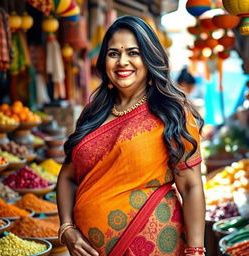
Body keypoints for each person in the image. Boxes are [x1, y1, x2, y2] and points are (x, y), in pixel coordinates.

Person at [56, 15, 205, 256]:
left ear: (149, 58)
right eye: (114, 54)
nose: (122, 61)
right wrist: (67, 228)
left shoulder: (172, 113)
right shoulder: (93, 112)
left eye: (133, 53)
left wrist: (196, 251)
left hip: (154, 246)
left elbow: (190, 186)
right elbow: (67, 177)